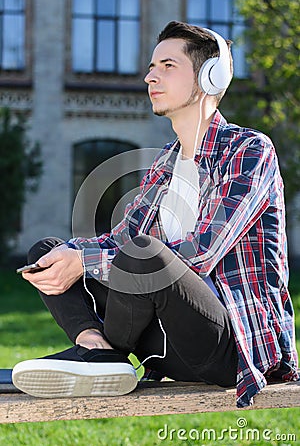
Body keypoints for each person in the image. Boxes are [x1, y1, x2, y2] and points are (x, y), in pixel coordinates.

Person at [12, 21, 298, 408]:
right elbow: (118, 240)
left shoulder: (249, 150)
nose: (150, 77)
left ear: (208, 78)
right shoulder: (166, 161)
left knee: (143, 253)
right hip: (166, 345)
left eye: (167, 66)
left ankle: (103, 360)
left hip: (229, 345)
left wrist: (87, 262)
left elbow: (200, 253)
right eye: (151, 67)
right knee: (48, 250)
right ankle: (94, 347)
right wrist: (72, 256)